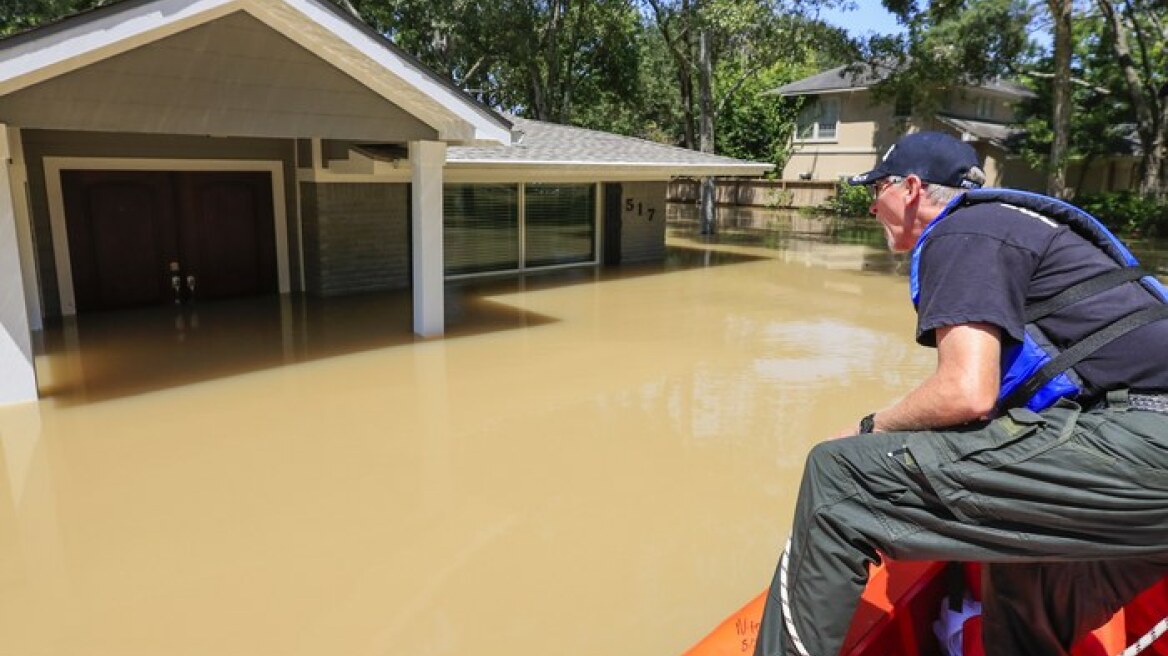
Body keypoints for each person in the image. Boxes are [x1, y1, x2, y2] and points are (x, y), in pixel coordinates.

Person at [752, 131, 1168, 656]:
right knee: (1021, 575)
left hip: (1145, 443)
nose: (871, 204)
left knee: (838, 477)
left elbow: (965, 393)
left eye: (874, 189)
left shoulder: (963, 233)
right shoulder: (1012, 225)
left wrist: (866, 428)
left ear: (909, 188)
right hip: (1142, 464)